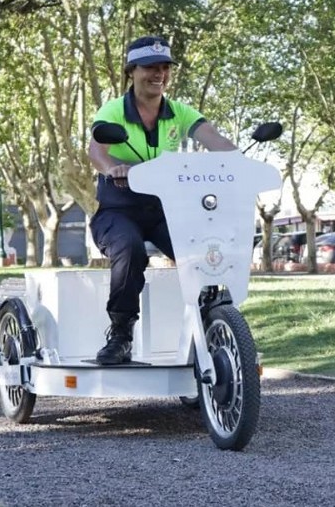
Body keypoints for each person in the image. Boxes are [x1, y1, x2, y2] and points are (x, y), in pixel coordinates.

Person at [87, 35, 236, 365]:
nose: (159, 74)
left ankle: (214, 322)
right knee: (129, 248)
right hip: (119, 208)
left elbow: (213, 138)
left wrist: (238, 158)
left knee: (203, 248)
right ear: (132, 71)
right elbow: (97, 150)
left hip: (164, 209)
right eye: (150, 68)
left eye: (165, 68)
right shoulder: (114, 110)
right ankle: (121, 333)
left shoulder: (178, 112)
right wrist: (113, 168)